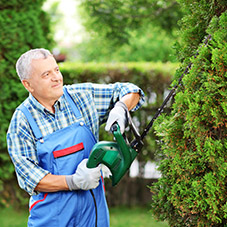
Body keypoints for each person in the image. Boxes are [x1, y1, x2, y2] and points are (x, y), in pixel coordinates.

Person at [7, 48, 145, 227]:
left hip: (93, 216)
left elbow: (132, 91)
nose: (56, 77)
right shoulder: (21, 122)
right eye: (46, 74)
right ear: (28, 85)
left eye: (56, 70)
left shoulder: (82, 97)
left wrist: (121, 107)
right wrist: (73, 181)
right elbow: (31, 178)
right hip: (51, 219)